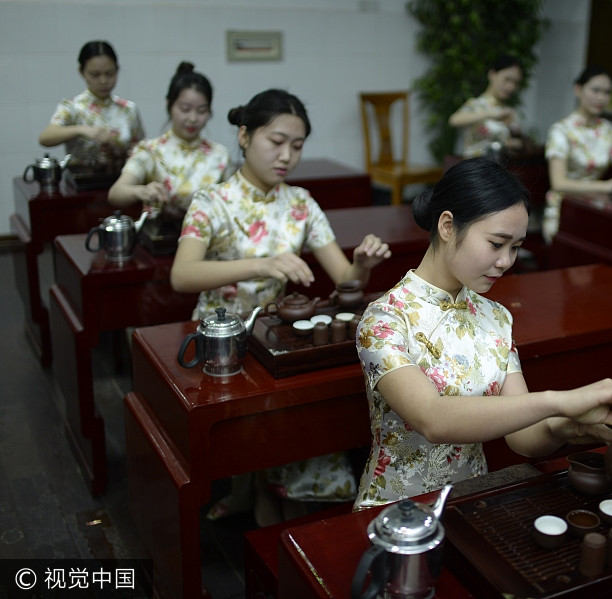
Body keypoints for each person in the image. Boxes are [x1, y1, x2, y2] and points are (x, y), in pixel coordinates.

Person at [353, 158, 612, 511]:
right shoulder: (385, 319)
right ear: (447, 226)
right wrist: (560, 400)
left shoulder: (496, 317)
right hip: (394, 512)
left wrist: (575, 428)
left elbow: (523, 437)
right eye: (496, 243)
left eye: (516, 247)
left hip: (468, 506)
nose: (507, 261)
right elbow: (433, 419)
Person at [170, 88, 392, 525]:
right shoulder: (211, 202)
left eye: (298, 145)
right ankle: (257, 498)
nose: (287, 155)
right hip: (224, 342)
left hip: (277, 338)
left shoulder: (300, 203)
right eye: (277, 141)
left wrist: (362, 266)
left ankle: (274, 504)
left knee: (298, 422)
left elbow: (345, 278)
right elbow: (182, 275)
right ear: (245, 136)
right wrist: (262, 263)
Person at [108, 62, 230, 218]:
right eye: (185, 109)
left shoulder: (219, 154)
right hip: (163, 237)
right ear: (169, 105)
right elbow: (116, 193)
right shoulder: (150, 150)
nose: (193, 119)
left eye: (201, 111)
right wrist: (141, 191)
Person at [542, 65, 612, 243]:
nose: (601, 98)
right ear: (578, 90)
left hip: (598, 207)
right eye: (595, 90)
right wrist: (607, 186)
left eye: (607, 92)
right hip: (565, 209)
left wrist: (611, 186)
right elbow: (558, 183)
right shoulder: (561, 131)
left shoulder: (607, 130)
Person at [38, 41, 144, 167]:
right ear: (82, 72)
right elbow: (45, 138)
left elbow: (140, 147)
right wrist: (80, 130)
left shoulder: (128, 109)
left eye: (110, 74)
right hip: (82, 182)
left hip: (122, 180)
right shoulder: (72, 107)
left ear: (117, 70)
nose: (103, 81)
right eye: (95, 75)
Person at [448, 55, 526, 158]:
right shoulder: (477, 104)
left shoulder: (508, 111)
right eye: (507, 79)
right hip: (475, 168)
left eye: (515, 83)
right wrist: (491, 114)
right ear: (492, 74)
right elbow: (454, 120)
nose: (510, 87)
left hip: (498, 168)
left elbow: (516, 143)